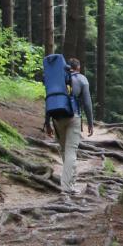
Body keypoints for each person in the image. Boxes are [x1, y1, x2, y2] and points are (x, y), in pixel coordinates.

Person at [45, 57, 94, 193]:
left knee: (65, 151)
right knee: (71, 151)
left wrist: (47, 123)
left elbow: (48, 100)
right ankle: (66, 187)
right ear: (78, 67)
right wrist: (90, 123)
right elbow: (87, 104)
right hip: (74, 117)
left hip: (56, 118)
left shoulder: (57, 79)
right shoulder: (82, 79)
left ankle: (70, 181)